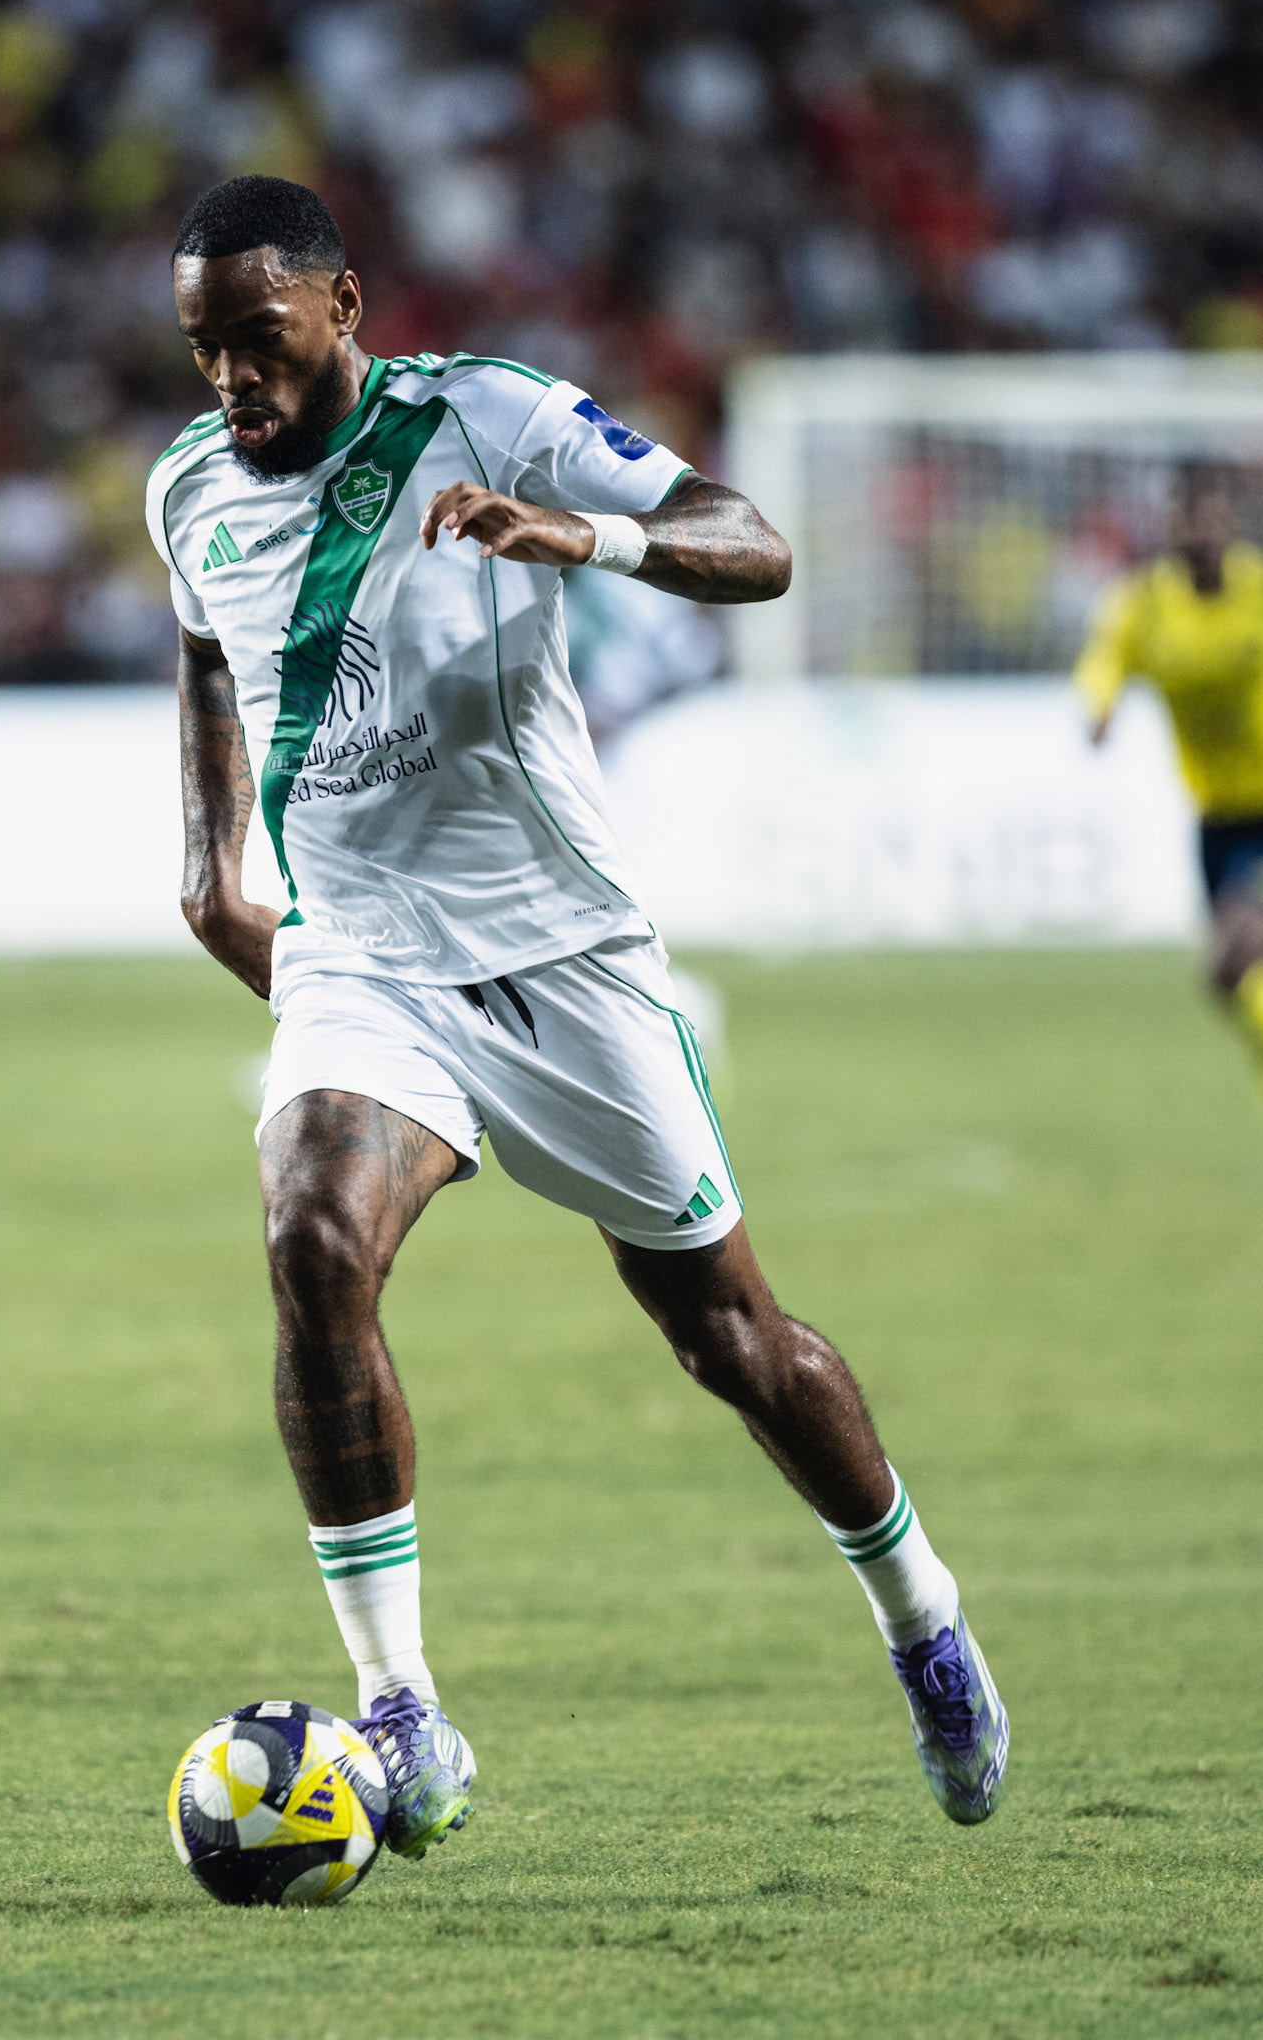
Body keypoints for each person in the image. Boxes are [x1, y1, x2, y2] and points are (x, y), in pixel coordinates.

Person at [150, 176, 1009, 1860]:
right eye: (202, 349)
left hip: (563, 957)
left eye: (255, 339)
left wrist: (588, 536)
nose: (229, 382)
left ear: (341, 301)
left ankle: (920, 1613)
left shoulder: (492, 411)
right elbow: (202, 660)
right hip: (364, 961)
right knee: (311, 1230)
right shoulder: (188, 491)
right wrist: (205, 871)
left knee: (734, 1341)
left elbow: (749, 539)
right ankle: (396, 1704)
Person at [1076, 465, 1263, 1090]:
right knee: (1230, 981)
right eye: (1188, 516)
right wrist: (1098, 707)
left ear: (1230, 523)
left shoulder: (1257, 591)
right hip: (1215, 819)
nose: (1200, 530)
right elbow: (1106, 657)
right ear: (1171, 524)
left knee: (1237, 954)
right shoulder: (1147, 603)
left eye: (1212, 516)